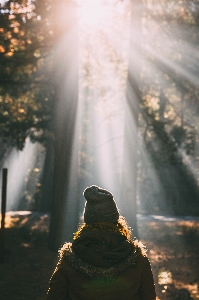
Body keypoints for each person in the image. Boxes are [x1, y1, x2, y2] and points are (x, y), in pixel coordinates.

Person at [46, 185, 156, 300]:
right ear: (115, 219)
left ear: (87, 221)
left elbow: (55, 296)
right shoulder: (136, 258)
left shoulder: (70, 259)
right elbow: (148, 296)